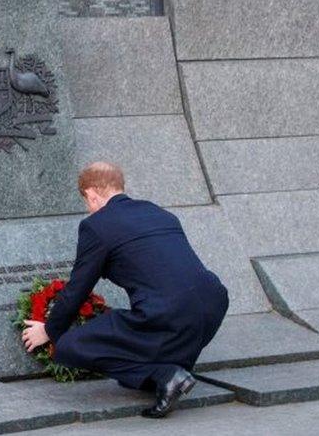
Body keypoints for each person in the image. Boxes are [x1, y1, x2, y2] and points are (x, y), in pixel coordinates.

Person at [21, 161, 229, 418]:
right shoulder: (159, 213)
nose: (89, 208)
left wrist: (50, 330)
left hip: (166, 313)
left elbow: (78, 288)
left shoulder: (96, 226)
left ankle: (166, 374)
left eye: (86, 201)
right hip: (212, 306)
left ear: (91, 194)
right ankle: (170, 376)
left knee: (70, 346)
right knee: (142, 355)